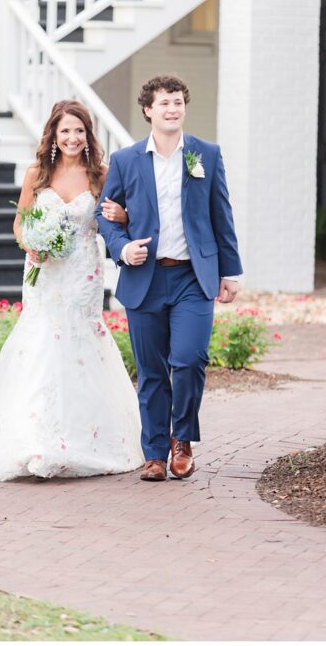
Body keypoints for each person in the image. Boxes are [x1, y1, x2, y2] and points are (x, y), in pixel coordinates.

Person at [0, 100, 144, 480]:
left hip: (82, 273)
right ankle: (34, 440)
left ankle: (85, 440)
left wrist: (125, 217)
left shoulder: (101, 174)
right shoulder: (37, 172)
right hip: (44, 273)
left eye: (79, 131)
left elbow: (117, 220)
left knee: (79, 345)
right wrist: (30, 243)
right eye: (65, 131)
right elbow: (19, 222)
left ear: (88, 135)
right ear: (53, 134)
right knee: (40, 345)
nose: (72, 138)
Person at [97, 75, 243, 482]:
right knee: (152, 371)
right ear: (148, 110)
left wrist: (230, 270)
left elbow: (221, 215)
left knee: (190, 359)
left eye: (177, 102)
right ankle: (155, 454)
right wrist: (123, 248)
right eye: (164, 103)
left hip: (193, 277)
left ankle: (183, 438)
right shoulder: (126, 161)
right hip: (144, 277)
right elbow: (105, 216)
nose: (172, 109)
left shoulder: (206, 155)